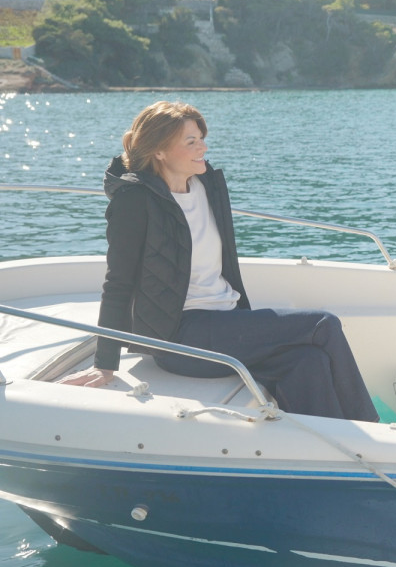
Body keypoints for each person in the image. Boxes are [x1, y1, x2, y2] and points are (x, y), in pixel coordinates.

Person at [62, 101, 378, 422]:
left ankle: (335, 440)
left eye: (201, 138)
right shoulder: (135, 200)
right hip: (182, 336)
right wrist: (105, 363)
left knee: (308, 361)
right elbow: (118, 282)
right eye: (191, 141)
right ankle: (373, 429)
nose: (203, 147)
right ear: (159, 151)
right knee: (323, 324)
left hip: (228, 319)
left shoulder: (205, 183)